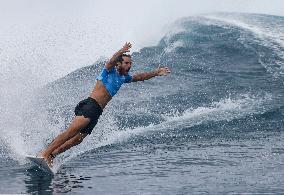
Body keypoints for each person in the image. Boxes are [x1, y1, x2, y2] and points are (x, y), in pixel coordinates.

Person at [39, 42, 171, 166]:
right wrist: (121, 51)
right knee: (70, 132)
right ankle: (44, 153)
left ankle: (52, 155)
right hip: (90, 105)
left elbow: (140, 77)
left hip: (97, 111)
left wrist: (156, 72)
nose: (129, 66)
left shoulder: (124, 77)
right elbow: (111, 61)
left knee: (78, 139)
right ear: (118, 64)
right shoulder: (108, 71)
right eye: (126, 63)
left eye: (130, 63)